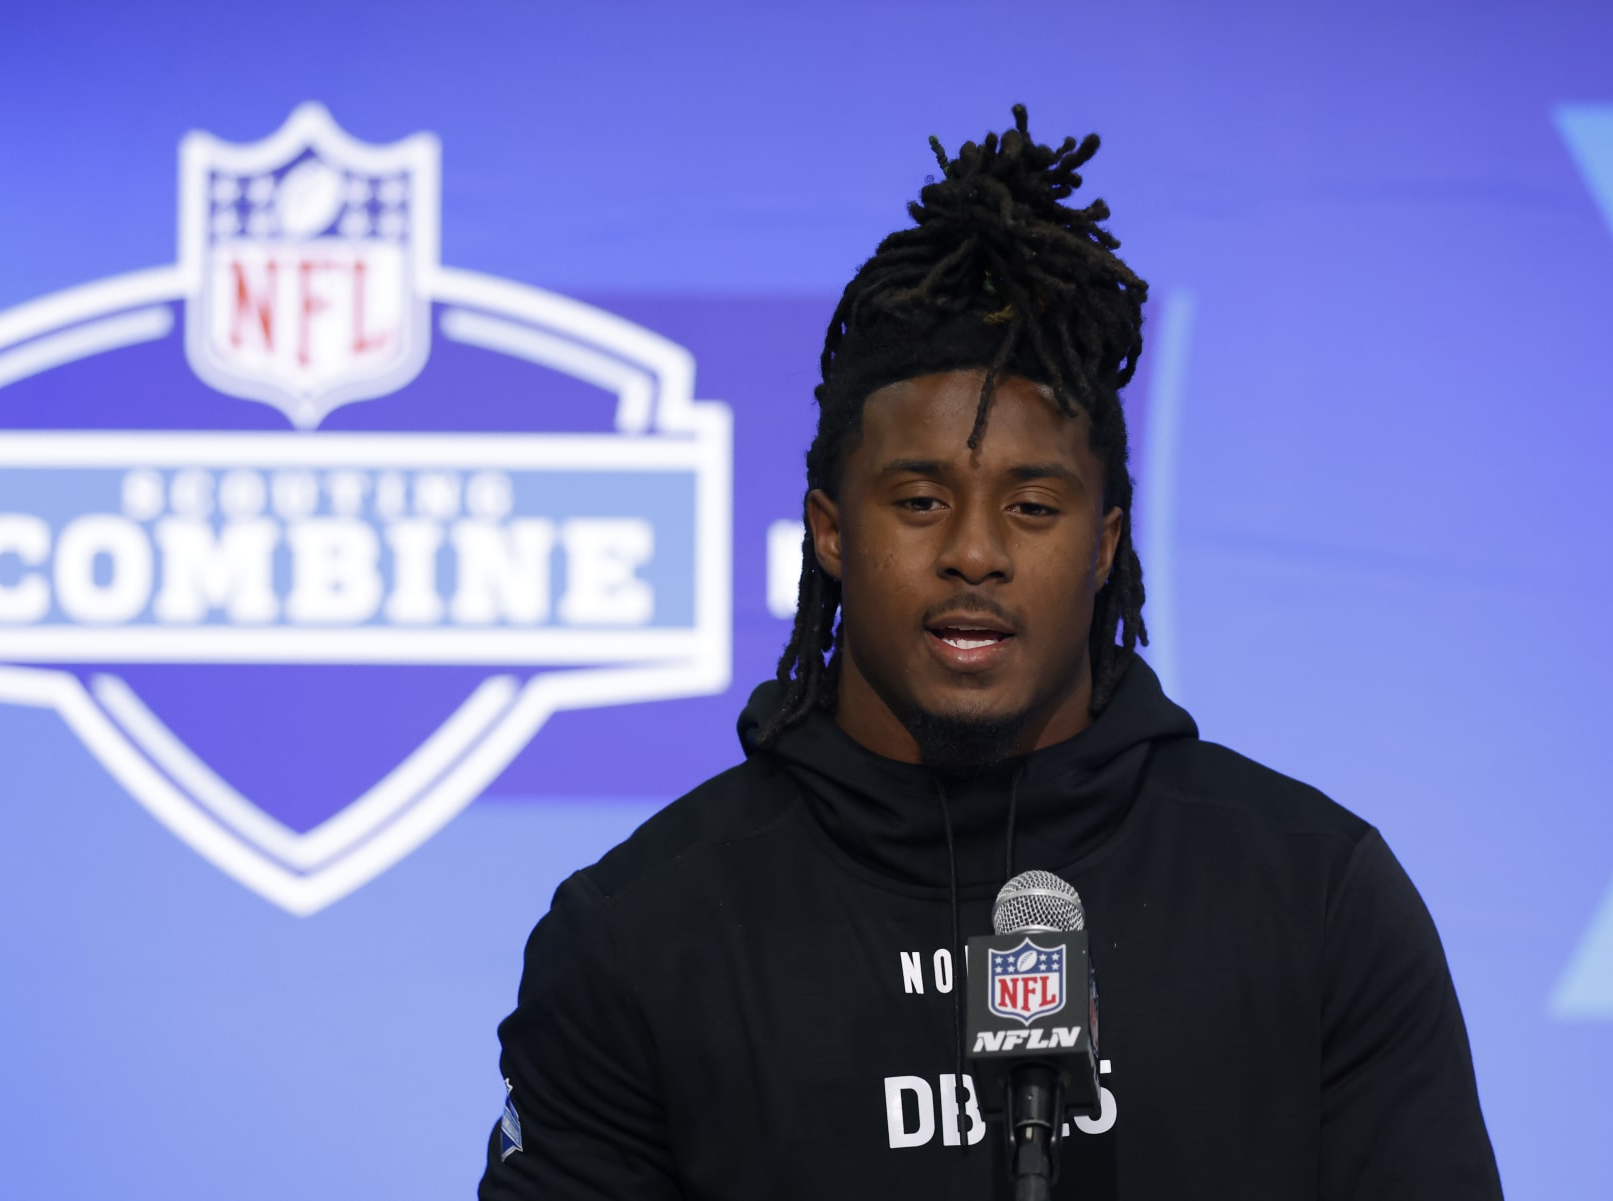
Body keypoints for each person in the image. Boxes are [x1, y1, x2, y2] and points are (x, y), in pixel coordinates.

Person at [478, 106, 1501, 1200]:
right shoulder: (643, 935)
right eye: (921, 500)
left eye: (1033, 506)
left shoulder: (1315, 897)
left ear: (1105, 544)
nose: (975, 551)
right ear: (831, 531)